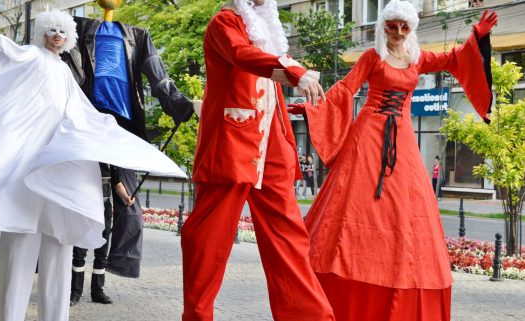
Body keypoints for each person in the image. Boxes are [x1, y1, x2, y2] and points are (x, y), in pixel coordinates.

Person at [0, 2, 186, 320]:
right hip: (27, 167)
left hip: (61, 169)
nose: (56, 36)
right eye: (51, 30)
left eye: (62, 31)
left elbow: (87, 120)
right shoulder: (29, 57)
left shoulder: (66, 75)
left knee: (59, 244)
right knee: (20, 242)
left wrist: (121, 153)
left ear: (68, 38)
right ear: (43, 33)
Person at [289, 2, 497, 319]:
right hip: (367, 138)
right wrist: (311, 108)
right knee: (355, 210)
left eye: (404, 27)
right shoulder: (372, 57)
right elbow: (346, 89)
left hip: (402, 142)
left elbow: (455, 59)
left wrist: (477, 37)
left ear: (411, 29)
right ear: (383, 27)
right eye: (392, 26)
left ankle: (396, 283)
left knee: (404, 212)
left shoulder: (418, 58)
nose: (398, 33)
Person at [181, 0, 333, 320]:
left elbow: (272, 76)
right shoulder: (224, 22)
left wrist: (294, 73)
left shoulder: (266, 30)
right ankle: (197, 315)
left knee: (289, 238)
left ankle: (310, 316)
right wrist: (294, 71)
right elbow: (242, 55)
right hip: (232, 142)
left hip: (271, 145)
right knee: (208, 239)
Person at [61, 0, 196, 305]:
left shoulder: (138, 34)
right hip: (86, 117)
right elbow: (56, 56)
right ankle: (72, 285)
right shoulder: (79, 28)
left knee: (123, 211)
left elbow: (158, 75)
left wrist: (176, 103)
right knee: (79, 202)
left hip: (122, 122)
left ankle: (98, 283)